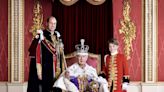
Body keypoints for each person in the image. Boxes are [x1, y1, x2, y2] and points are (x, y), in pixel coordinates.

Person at [27, 16, 64, 92]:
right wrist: (39, 71)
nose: (53, 25)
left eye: (54, 23)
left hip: (56, 68)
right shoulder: (41, 35)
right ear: (47, 23)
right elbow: (34, 52)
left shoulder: (57, 36)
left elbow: (60, 54)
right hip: (45, 69)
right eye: (51, 23)